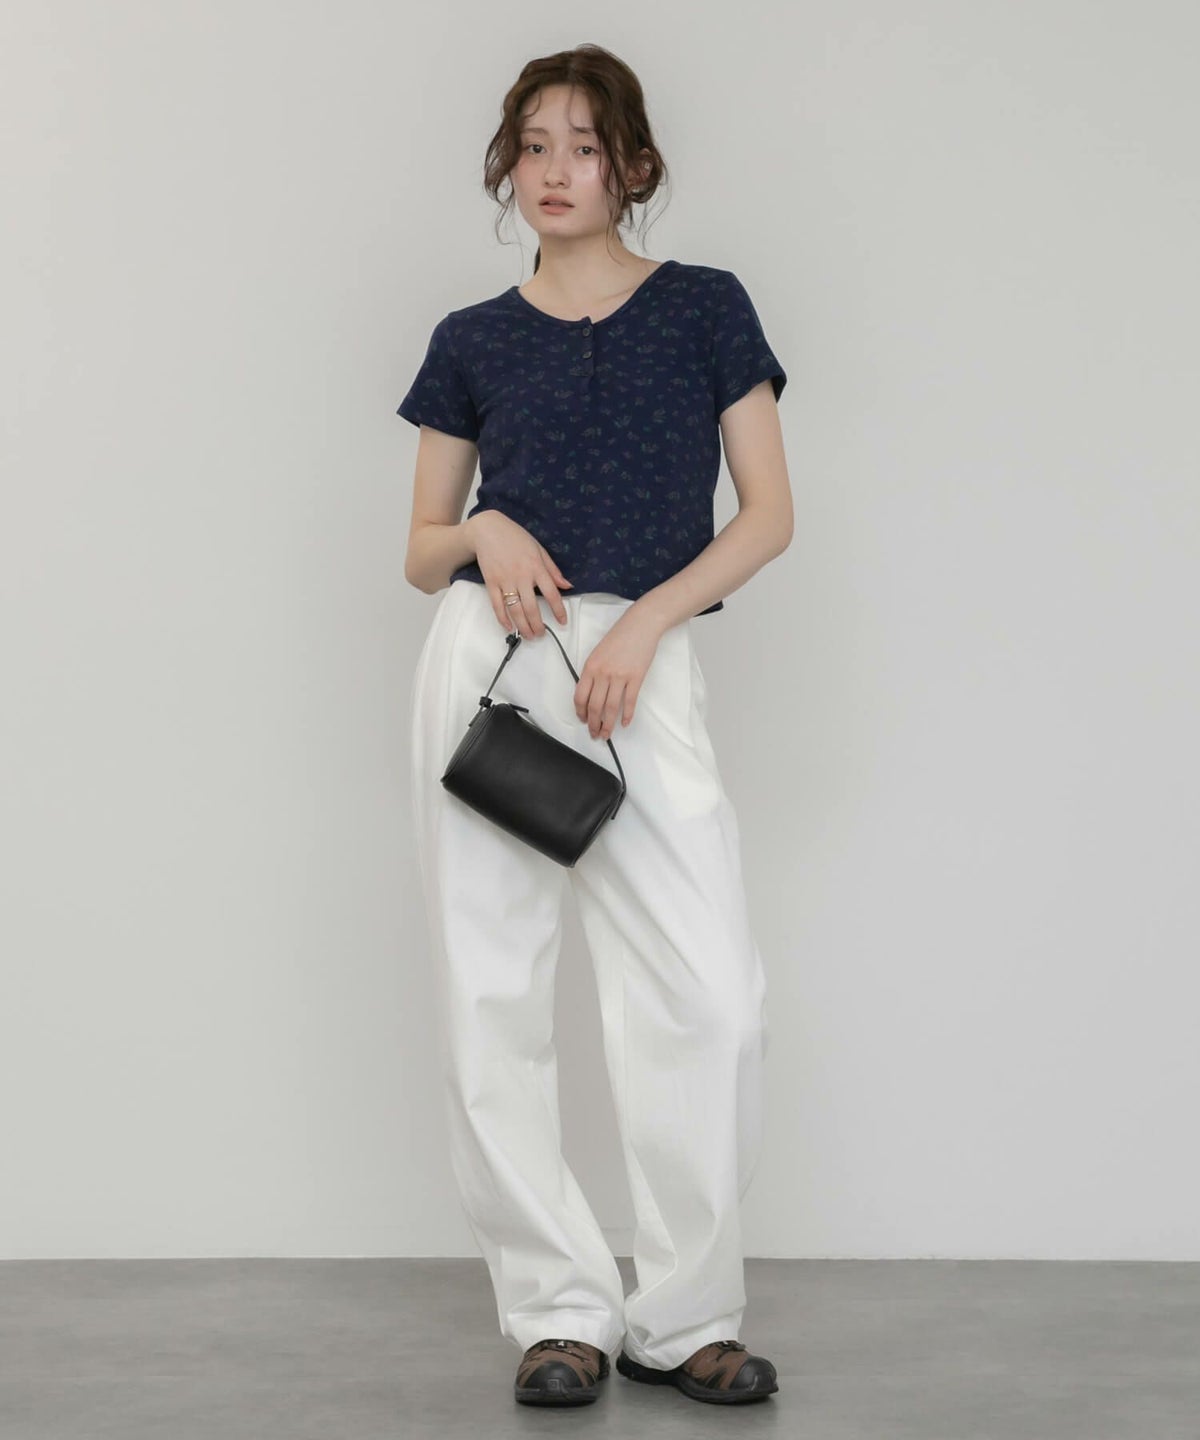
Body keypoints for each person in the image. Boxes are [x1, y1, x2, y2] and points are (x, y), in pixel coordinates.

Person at [396, 43, 792, 1408]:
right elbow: (421, 545)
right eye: (533, 145)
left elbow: (768, 518)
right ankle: (559, 1310)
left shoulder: (706, 308)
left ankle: (683, 1316)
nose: (554, 170)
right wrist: (487, 528)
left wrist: (647, 623)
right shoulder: (472, 337)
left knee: (711, 996)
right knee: (491, 993)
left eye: (583, 145)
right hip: (494, 663)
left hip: (640, 667)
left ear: (632, 164)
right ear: (507, 164)